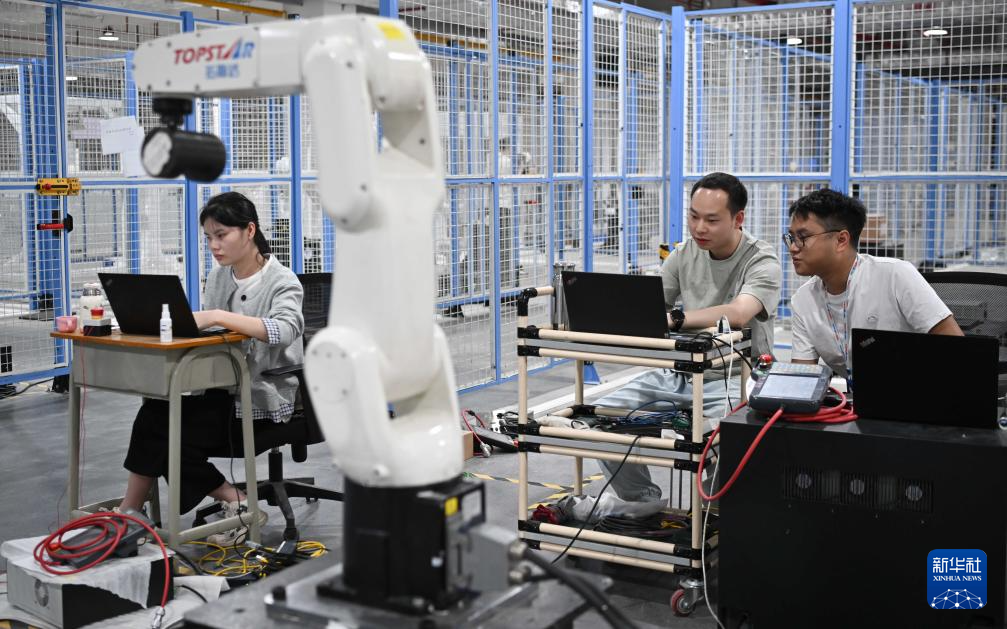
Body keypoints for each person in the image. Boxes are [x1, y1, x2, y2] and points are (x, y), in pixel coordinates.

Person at [118, 192, 305, 545]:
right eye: (208, 238)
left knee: (165, 432)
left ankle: (221, 501)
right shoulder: (219, 277)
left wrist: (218, 315)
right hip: (221, 392)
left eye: (221, 235)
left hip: (261, 399)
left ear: (249, 231)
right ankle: (135, 511)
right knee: (156, 415)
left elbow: (284, 330)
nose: (213, 246)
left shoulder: (282, 281)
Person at [592, 172, 783, 502]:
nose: (699, 228)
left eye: (712, 220)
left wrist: (678, 319)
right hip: (681, 375)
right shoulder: (684, 254)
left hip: (738, 380)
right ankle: (642, 502)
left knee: (730, 435)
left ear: (738, 219)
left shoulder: (761, 260)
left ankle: (718, 513)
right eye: (693, 217)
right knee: (602, 416)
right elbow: (653, 308)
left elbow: (739, 313)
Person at [786, 189, 963, 385]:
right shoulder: (803, 300)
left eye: (803, 237)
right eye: (791, 238)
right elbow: (801, 381)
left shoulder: (895, 276)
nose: (793, 247)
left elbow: (958, 349)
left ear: (841, 240)